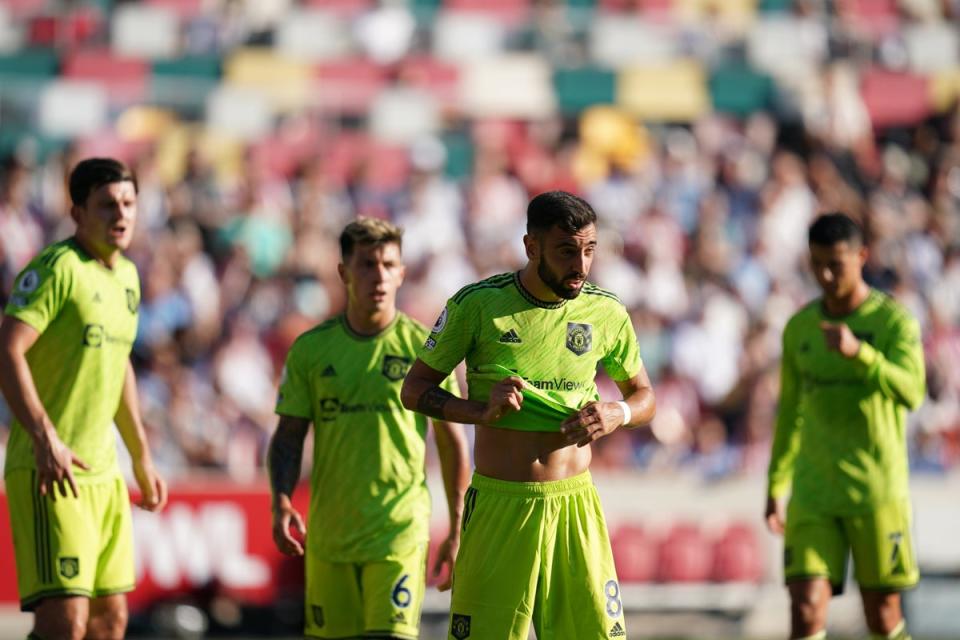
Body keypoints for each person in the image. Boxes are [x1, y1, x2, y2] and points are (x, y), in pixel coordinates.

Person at [401, 190, 656, 640]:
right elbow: (414, 389)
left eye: (589, 250)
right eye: (566, 251)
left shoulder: (606, 311)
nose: (580, 264)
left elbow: (644, 397)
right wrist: (480, 409)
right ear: (531, 247)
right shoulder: (477, 305)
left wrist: (617, 412)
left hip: (574, 506)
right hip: (501, 507)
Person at [268, 217, 469, 640]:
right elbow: (288, 436)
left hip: (398, 530)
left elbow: (452, 442)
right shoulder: (311, 349)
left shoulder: (425, 350)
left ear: (402, 272)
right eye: (365, 264)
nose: (378, 275)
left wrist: (457, 525)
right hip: (330, 536)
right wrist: (281, 500)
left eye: (387, 264)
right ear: (343, 272)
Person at [0, 157, 168, 640]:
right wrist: (44, 436)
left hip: (103, 475)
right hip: (50, 472)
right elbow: (8, 350)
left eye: (129, 203)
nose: (121, 214)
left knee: (109, 621)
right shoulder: (57, 269)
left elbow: (118, 370)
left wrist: (141, 456)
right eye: (107, 205)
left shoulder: (129, 279)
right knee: (65, 624)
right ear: (76, 213)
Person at [765, 212, 926, 640]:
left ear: (862, 256)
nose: (826, 273)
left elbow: (913, 391)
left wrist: (863, 356)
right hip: (814, 494)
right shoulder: (800, 328)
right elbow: (790, 413)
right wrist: (777, 484)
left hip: (876, 493)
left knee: (884, 616)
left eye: (837, 263)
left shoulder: (894, 323)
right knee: (805, 609)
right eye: (818, 263)